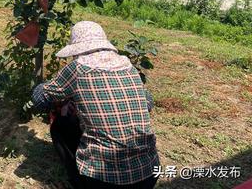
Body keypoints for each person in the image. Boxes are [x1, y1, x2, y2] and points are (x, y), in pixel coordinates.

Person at [32, 21, 159, 189]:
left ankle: (77, 180)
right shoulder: (128, 66)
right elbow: (148, 101)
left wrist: (49, 89)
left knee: (59, 125)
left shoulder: (77, 68)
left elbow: (39, 99)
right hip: (149, 173)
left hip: (103, 178)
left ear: (76, 48)